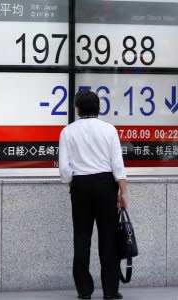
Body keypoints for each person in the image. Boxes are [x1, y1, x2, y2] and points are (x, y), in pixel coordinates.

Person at [59, 91, 128, 300]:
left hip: (80, 185)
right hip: (106, 185)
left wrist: (74, 183)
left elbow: (64, 169)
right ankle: (110, 290)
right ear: (98, 107)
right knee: (108, 238)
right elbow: (118, 164)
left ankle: (84, 290)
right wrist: (123, 191)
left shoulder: (67, 131)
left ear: (77, 108)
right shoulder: (109, 130)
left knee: (81, 238)